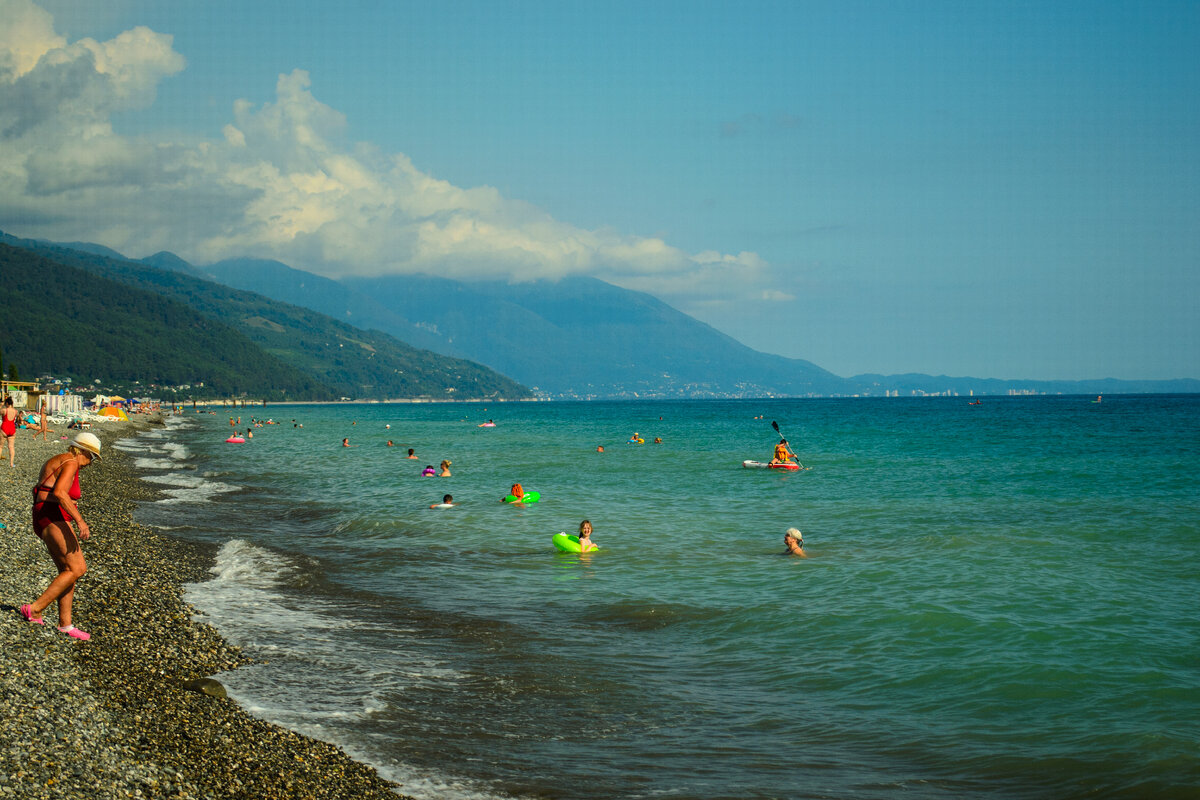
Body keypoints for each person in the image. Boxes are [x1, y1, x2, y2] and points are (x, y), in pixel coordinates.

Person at [20, 432, 104, 640]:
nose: (90, 463)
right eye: (91, 457)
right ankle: (35, 608)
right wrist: (80, 520)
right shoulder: (71, 462)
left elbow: (45, 490)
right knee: (78, 568)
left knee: (68, 571)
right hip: (51, 516)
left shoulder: (61, 460)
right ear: (82, 451)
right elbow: (59, 493)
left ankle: (65, 624)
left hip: (46, 516)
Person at [2, 397, 18, 467]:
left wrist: (1, 405)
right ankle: (11, 463)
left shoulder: (4, 410)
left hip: (4, 428)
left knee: (0, 446)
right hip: (12, 428)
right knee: (11, 447)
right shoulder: (16, 411)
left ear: (7, 403)